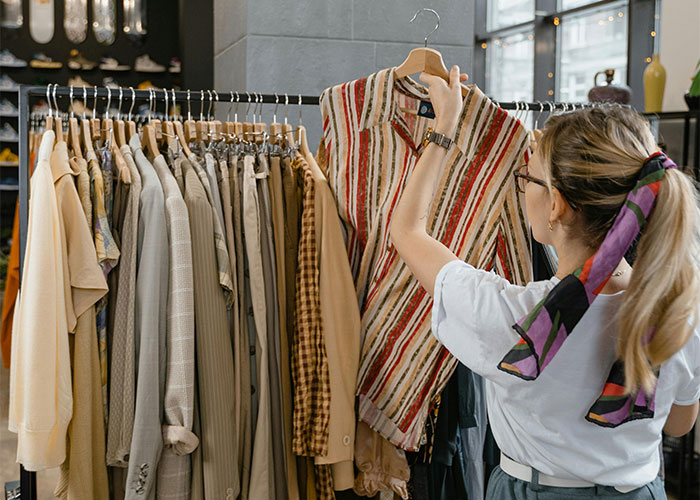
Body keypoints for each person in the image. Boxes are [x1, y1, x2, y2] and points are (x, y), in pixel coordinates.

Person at [390, 65, 700, 499]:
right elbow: (680, 423)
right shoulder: (681, 306)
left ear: (555, 204)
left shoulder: (514, 319)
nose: (523, 187)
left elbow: (407, 232)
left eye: (528, 178)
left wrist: (444, 128)